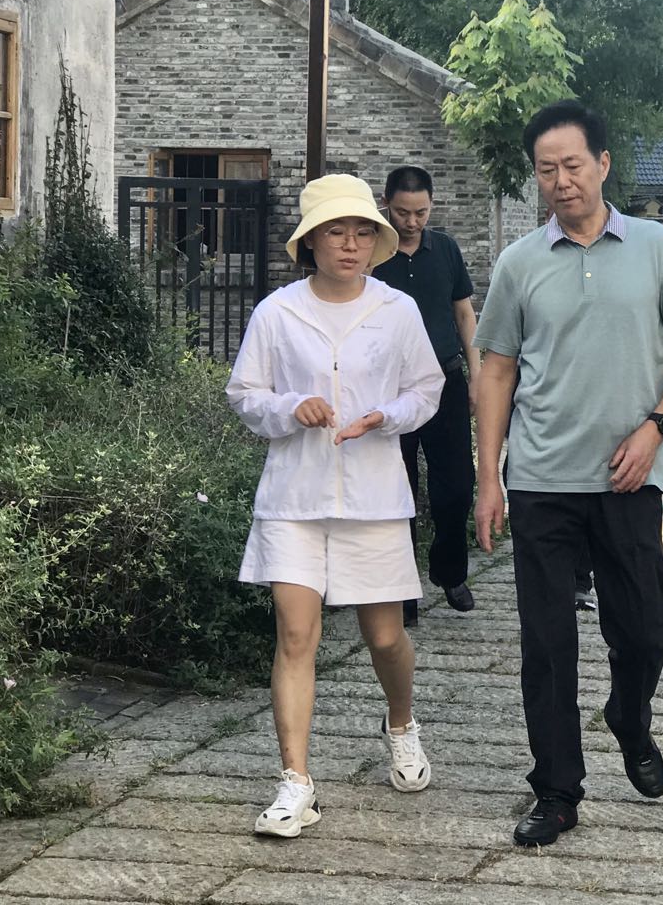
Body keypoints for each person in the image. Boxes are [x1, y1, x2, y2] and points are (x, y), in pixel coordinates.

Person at [472, 100, 663, 847]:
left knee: (645, 628)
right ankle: (556, 789)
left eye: (572, 165)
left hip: (628, 477)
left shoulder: (656, 248)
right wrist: (489, 476)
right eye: (546, 170)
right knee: (547, 644)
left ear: (603, 164)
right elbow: (496, 370)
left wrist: (657, 426)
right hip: (541, 478)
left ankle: (629, 717)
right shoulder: (519, 263)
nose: (561, 181)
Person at [226, 174, 445, 838]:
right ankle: (296, 783)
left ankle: (400, 723)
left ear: (375, 241)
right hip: (293, 498)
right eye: (335, 232)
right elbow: (245, 395)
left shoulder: (397, 310)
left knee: (384, 637)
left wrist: (385, 415)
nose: (350, 245)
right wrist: (291, 406)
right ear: (310, 243)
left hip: (374, 498)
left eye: (361, 232)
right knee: (296, 637)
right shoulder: (278, 312)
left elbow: (426, 389)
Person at [373, 165, 479, 626]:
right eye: (402, 212)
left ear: (431, 206)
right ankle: (402, 591)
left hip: (444, 380)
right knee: (397, 490)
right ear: (386, 205)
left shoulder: (447, 249)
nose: (411, 222)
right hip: (388, 388)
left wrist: (477, 373)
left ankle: (449, 571)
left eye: (420, 212)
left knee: (456, 486)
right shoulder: (373, 252)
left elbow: (464, 312)